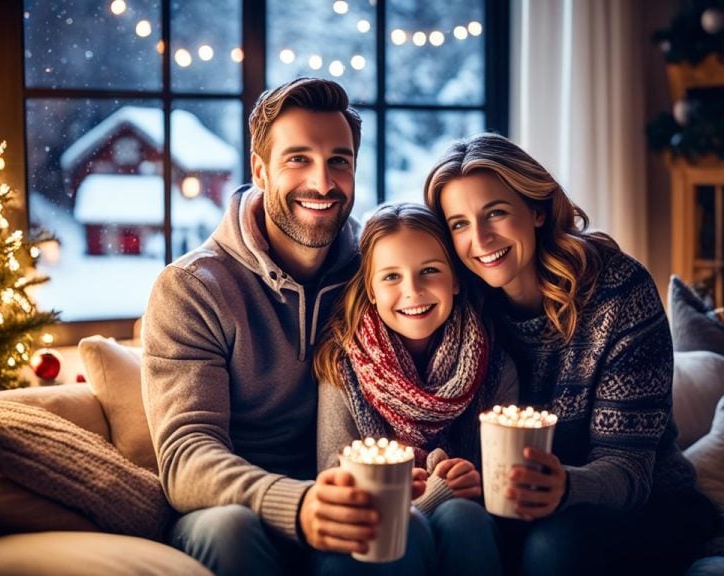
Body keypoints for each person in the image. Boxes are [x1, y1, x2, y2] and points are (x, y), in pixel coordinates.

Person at [141, 77, 436, 576]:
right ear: (260, 169)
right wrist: (299, 505)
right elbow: (186, 456)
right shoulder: (191, 289)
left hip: (352, 495)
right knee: (230, 530)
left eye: (339, 161)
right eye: (298, 159)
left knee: (409, 530)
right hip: (236, 510)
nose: (322, 183)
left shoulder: (378, 273)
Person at [423, 132, 721, 576]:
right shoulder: (459, 308)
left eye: (497, 213)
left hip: (647, 504)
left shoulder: (617, 292)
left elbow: (629, 470)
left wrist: (564, 486)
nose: (481, 239)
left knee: (554, 544)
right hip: (511, 507)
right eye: (460, 224)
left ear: (537, 210)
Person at [314, 202, 517, 575]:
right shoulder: (343, 366)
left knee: (462, 517)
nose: (413, 290)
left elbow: (504, 485)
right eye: (391, 277)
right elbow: (335, 480)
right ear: (370, 290)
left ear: (455, 279)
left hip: (468, 527)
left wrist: (475, 483)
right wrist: (425, 495)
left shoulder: (495, 366)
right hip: (368, 538)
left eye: (429, 271)